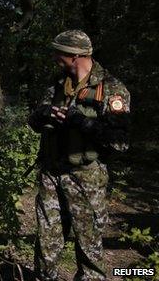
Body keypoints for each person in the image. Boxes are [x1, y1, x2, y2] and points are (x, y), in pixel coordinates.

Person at [28, 30, 130, 281]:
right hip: (52, 173)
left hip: (86, 179)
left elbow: (120, 142)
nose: (54, 57)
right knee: (46, 243)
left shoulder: (111, 89)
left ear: (74, 56)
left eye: (58, 52)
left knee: (89, 246)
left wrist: (82, 123)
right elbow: (34, 120)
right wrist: (40, 117)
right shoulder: (56, 83)